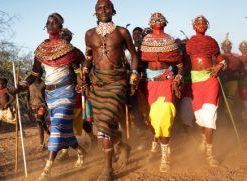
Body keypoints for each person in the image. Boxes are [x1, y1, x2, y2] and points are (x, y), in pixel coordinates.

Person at [20, 13, 87, 180]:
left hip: (66, 91)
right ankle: (80, 151)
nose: (51, 24)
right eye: (48, 22)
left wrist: (81, 76)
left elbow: (82, 60)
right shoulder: (41, 49)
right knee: (63, 129)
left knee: (56, 127)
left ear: (60, 26)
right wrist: (21, 85)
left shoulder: (68, 49)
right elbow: (35, 74)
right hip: (50, 95)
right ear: (46, 26)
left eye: (55, 22)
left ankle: (47, 170)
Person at [82, 0, 139, 180]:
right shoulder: (89, 34)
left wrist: (133, 76)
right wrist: (83, 70)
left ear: (113, 10)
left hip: (116, 82)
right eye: (99, 8)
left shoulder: (122, 32)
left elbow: (134, 56)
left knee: (105, 122)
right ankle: (123, 146)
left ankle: (108, 170)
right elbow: (88, 58)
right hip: (97, 83)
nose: (103, 10)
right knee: (101, 126)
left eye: (107, 7)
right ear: (95, 12)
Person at [140, 12, 182, 172]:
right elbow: (141, 62)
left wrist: (177, 78)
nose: (157, 20)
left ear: (165, 23)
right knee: (152, 119)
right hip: (150, 83)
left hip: (166, 80)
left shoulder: (170, 40)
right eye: (154, 19)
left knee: (164, 115)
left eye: (160, 19)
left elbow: (179, 64)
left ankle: (165, 156)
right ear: (150, 23)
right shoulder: (146, 40)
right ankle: (158, 142)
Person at [185, 15, 226, 167]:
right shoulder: (189, 44)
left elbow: (221, 60)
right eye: (198, 23)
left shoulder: (211, 42)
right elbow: (181, 63)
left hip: (210, 80)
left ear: (207, 26)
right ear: (194, 26)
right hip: (196, 82)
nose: (201, 25)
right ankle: (203, 138)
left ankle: (210, 154)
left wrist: (219, 66)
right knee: (200, 119)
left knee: (209, 117)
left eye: (203, 23)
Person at [56, 28, 97, 160]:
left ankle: (91, 137)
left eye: (65, 38)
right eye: (61, 38)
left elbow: (85, 65)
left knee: (75, 120)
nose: (63, 40)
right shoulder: (54, 54)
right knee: (62, 120)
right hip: (57, 91)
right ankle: (65, 151)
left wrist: (82, 77)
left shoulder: (75, 53)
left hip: (73, 89)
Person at [220, 33, 245, 112]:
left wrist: (239, 74)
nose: (226, 48)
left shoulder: (236, 58)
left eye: (228, 46)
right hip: (221, 81)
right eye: (225, 46)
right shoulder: (219, 57)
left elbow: (242, 70)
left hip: (233, 81)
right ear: (222, 47)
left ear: (230, 47)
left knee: (230, 97)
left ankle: (227, 113)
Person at [28, 78, 50, 151]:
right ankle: (52, 136)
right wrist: (28, 106)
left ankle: (42, 144)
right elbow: (28, 94)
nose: (38, 74)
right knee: (43, 124)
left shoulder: (44, 83)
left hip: (42, 105)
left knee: (39, 122)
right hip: (33, 106)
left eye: (40, 72)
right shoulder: (30, 83)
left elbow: (48, 93)